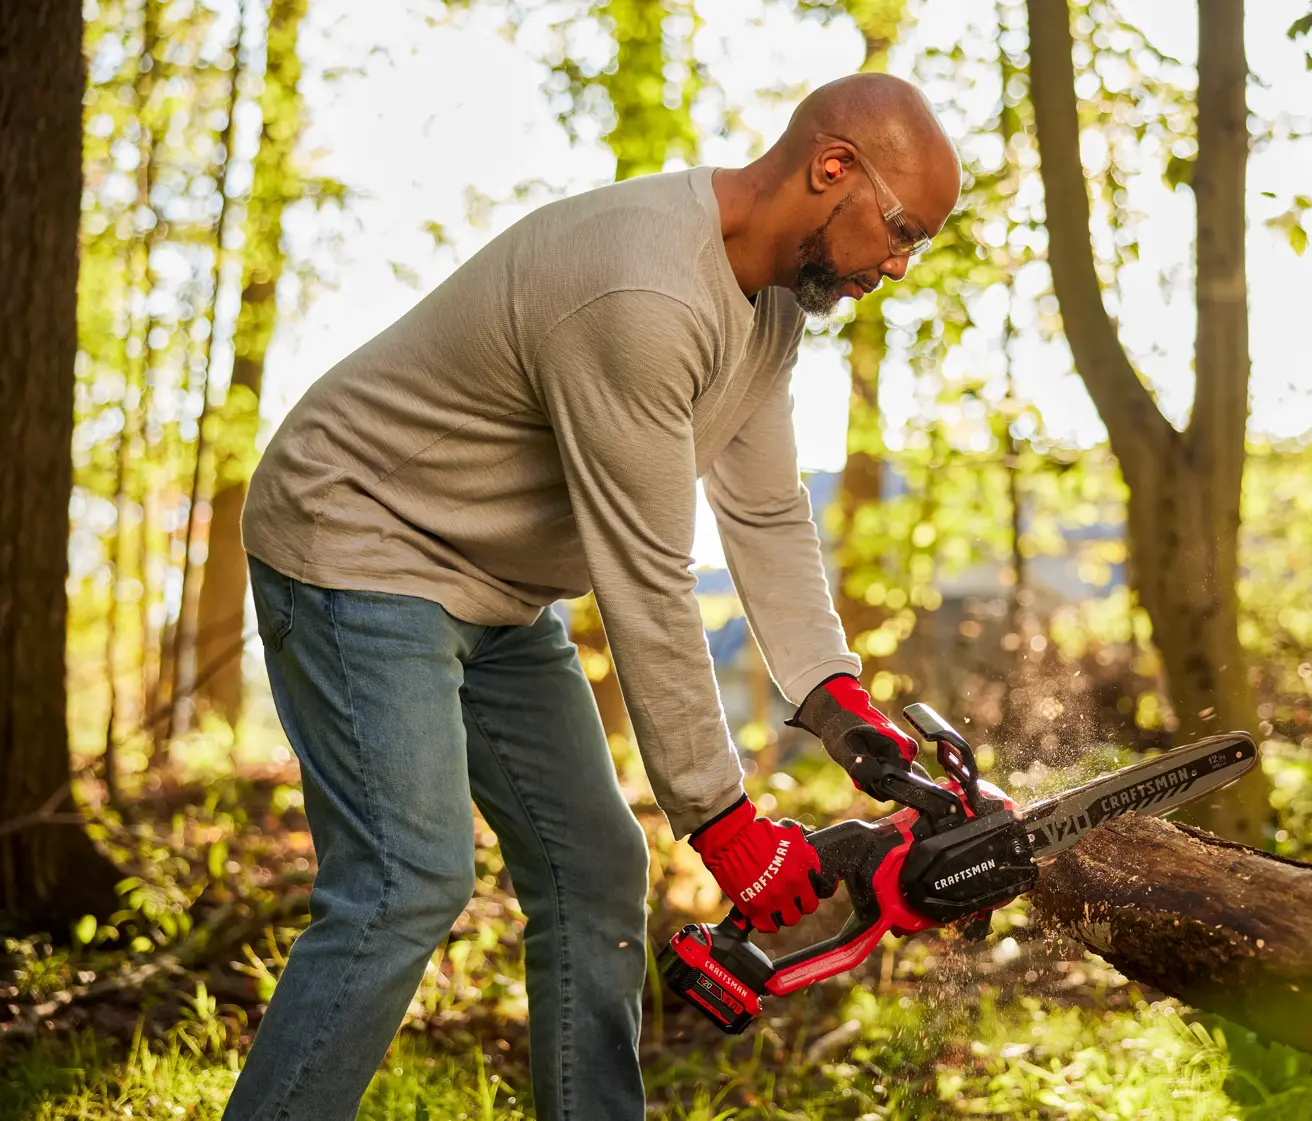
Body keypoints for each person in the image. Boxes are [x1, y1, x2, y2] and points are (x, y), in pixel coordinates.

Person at [222, 71, 963, 1120]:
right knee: (407, 882)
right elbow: (649, 575)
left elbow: (762, 512)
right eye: (898, 229)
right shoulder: (645, 292)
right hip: (358, 540)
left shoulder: (769, 310)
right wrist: (722, 818)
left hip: (493, 586)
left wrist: (832, 694)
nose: (898, 261)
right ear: (830, 169)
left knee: (596, 871)